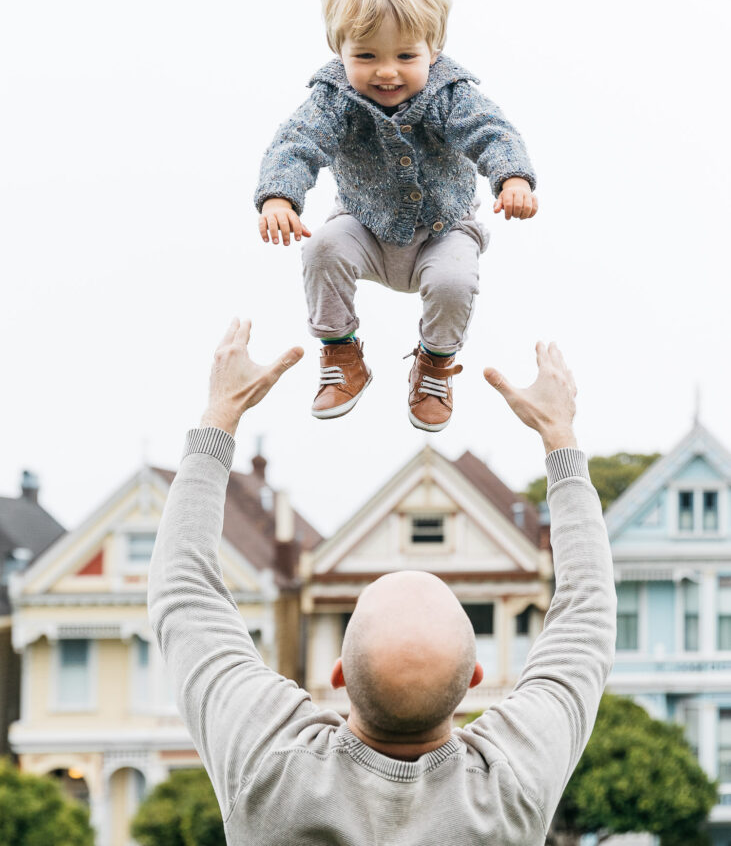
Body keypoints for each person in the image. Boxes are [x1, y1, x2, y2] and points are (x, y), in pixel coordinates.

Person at [148, 319, 616, 846]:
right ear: (473, 679)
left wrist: (222, 412)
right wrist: (560, 434)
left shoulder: (270, 772)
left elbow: (183, 591)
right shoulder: (511, 789)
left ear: (340, 674)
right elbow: (586, 618)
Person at [253, 0, 538, 431]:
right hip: (364, 227)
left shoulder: (451, 94)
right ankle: (342, 354)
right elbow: (296, 141)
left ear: (434, 48)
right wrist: (280, 196)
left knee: (454, 282)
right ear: (338, 49)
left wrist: (512, 177)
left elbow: (491, 131)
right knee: (322, 248)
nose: (387, 72)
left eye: (406, 56)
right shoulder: (334, 98)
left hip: (443, 229)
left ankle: (435, 364)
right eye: (366, 57)